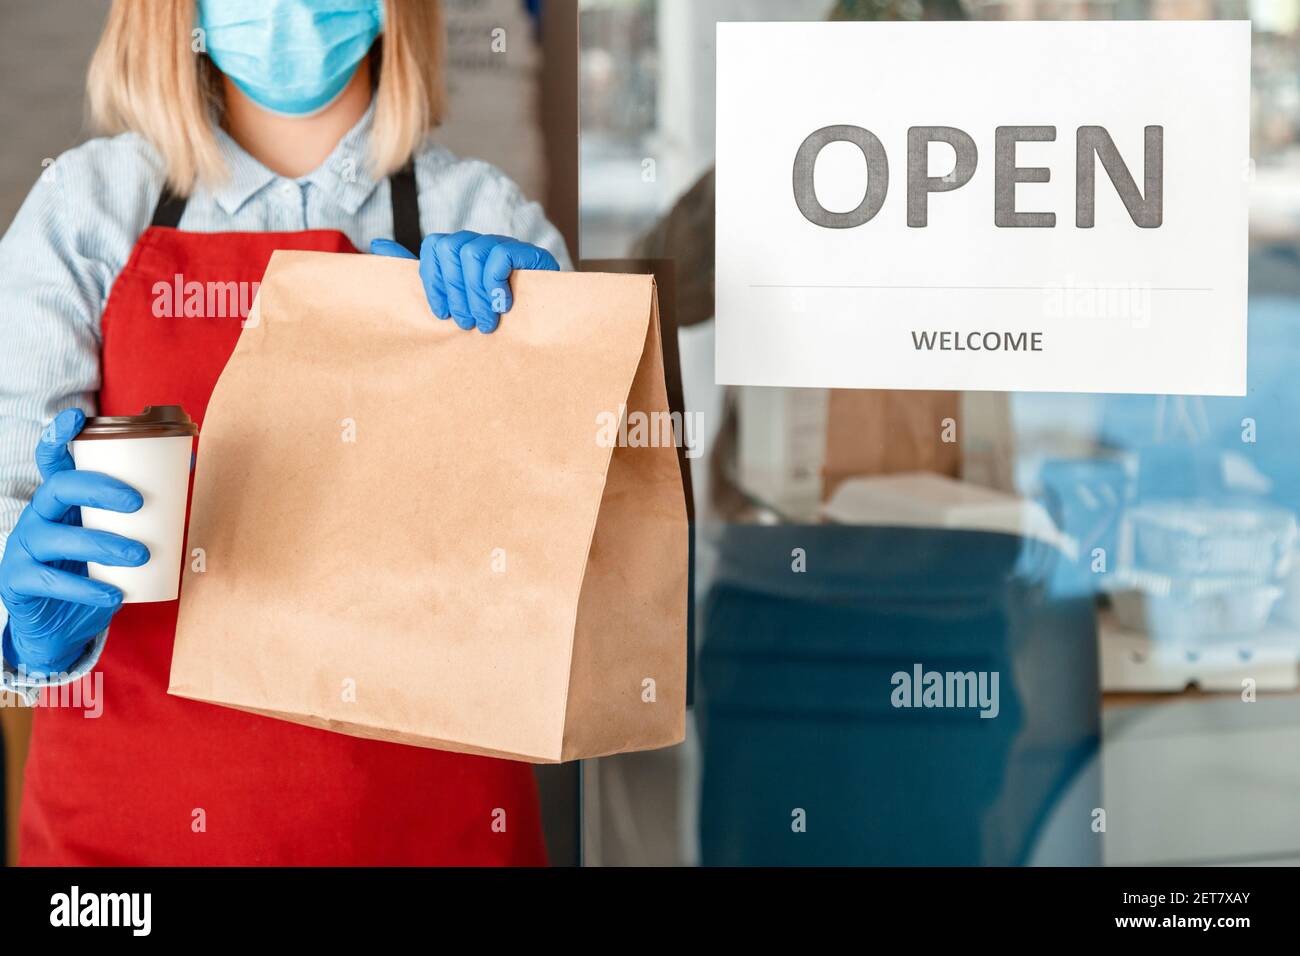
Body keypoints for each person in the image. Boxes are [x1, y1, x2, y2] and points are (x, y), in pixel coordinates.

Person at [0, 0, 568, 865]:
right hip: (126, 853)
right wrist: (23, 624)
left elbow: (581, 566)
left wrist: (557, 353)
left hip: (438, 835)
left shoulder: (484, 214)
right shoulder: (88, 211)